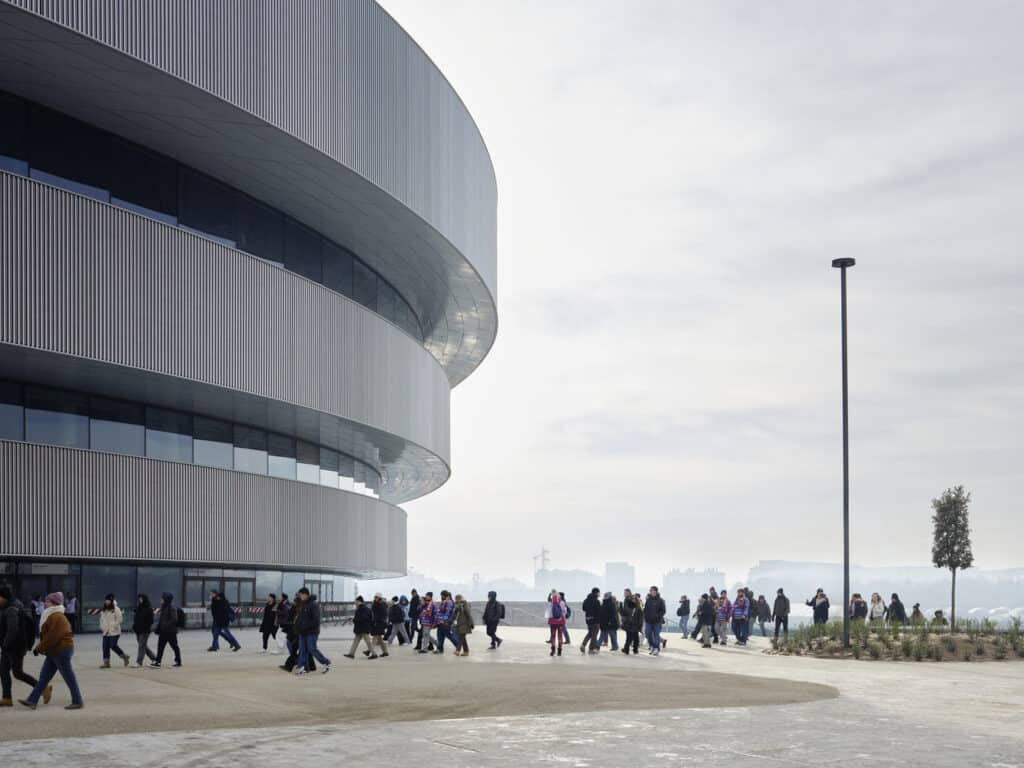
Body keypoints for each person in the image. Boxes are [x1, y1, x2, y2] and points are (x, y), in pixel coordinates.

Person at [18, 592, 83, 710]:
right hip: (54, 651)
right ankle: (32, 700)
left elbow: (53, 636)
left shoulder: (57, 616)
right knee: (44, 678)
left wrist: (39, 648)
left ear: (54, 603)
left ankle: (77, 701)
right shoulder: (50, 615)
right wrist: (42, 647)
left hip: (62, 650)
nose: (45, 603)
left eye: (47, 601)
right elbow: (49, 636)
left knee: (69, 677)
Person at [0, 586, 42, 706]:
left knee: (18, 673)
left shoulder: (12, 608)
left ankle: (42, 688)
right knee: (3, 671)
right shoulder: (7, 606)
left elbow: (13, 629)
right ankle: (7, 698)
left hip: (16, 646)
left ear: (4, 597)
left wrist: (5, 643)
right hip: (9, 646)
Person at [293, 588, 331, 674]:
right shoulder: (303, 604)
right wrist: (297, 627)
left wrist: (305, 627)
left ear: (306, 594)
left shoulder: (314, 604)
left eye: (301, 595)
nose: (300, 597)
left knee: (312, 649)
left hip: (312, 632)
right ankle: (303, 667)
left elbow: (316, 620)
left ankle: (325, 662)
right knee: (302, 650)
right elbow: (300, 618)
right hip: (302, 632)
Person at [151, 592, 182, 668]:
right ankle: (158, 662)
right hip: (163, 631)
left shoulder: (171, 608)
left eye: (162, 598)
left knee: (174, 646)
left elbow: (174, 619)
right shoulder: (164, 607)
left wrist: (165, 625)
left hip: (170, 631)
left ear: (166, 599)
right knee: (160, 646)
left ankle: (178, 661)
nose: (161, 599)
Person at [99, 594, 130, 668]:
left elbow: (120, 620)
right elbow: (101, 620)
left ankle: (124, 656)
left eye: (108, 600)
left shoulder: (116, 609)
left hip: (114, 631)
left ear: (111, 601)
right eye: (106, 600)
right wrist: (102, 627)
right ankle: (106, 663)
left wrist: (113, 626)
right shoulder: (103, 610)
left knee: (112, 645)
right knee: (105, 647)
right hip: (106, 631)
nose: (107, 601)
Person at [132, 594, 158, 667]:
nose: (140, 600)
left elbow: (150, 621)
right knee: (143, 646)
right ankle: (154, 658)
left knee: (141, 646)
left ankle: (139, 662)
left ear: (144, 599)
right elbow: (136, 619)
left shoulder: (149, 608)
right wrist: (134, 627)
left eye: (141, 599)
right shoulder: (139, 608)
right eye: (139, 599)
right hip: (138, 630)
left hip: (145, 631)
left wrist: (146, 628)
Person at [644, 586, 666, 655]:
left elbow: (663, 611)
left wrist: (657, 616)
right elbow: (645, 610)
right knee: (647, 634)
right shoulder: (648, 600)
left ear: (656, 591)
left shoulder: (660, 600)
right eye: (650, 591)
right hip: (648, 621)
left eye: (652, 591)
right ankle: (652, 646)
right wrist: (646, 617)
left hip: (657, 621)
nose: (651, 592)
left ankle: (656, 649)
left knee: (656, 635)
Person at [579, 587, 602, 654]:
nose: (599, 594)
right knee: (594, 635)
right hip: (595, 620)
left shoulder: (586, 600)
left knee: (590, 633)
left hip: (588, 619)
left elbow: (584, 608)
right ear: (596, 593)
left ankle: (583, 644)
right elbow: (599, 611)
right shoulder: (596, 601)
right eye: (599, 593)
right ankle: (591, 649)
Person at [546, 590, 567, 657]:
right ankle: (559, 651)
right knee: (560, 636)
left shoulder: (550, 603)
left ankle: (553, 650)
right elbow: (564, 612)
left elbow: (548, 613)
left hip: (552, 622)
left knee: (553, 636)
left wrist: (550, 595)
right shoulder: (562, 602)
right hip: (560, 622)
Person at [368, 593, 390, 658]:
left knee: (374, 638)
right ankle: (385, 652)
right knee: (380, 639)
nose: (375, 598)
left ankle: (372, 653)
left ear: (379, 598)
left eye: (376, 597)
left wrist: (374, 622)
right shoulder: (377, 604)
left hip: (378, 623)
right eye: (375, 597)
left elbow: (380, 615)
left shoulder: (381, 605)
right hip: (378, 623)